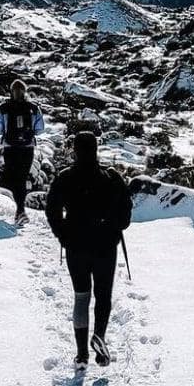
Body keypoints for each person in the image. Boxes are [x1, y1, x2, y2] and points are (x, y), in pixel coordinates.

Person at [45, 130, 132, 368]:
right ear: (96, 150)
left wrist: (62, 234)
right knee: (103, 296)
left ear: (74, 150)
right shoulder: (111, 178)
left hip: (76, 246)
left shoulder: (65, 178)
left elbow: (51, 211)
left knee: (81, 297)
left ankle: (81, 354)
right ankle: (99, 338)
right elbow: (125, 213)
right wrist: (113, 229)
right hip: (104, 246)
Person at [0, 79, 44, 223]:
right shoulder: (34, 108)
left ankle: (14, 208)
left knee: (11, 176)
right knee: (22, 178)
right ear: (25, 91)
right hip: (27, 147)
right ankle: (20, 210)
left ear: (11, 91)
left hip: (10, 147)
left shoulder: (3, 108)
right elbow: (40, 129)